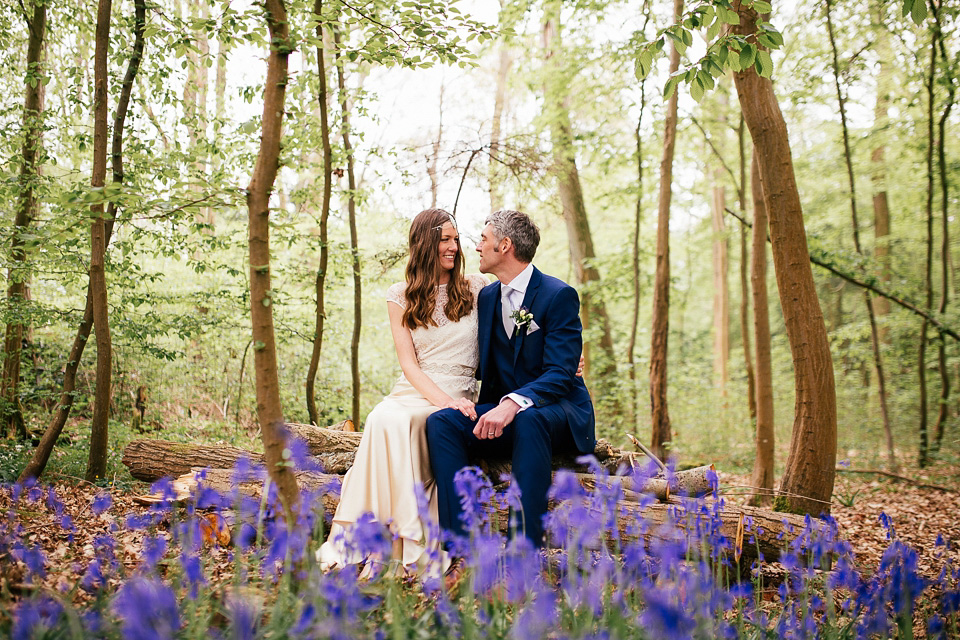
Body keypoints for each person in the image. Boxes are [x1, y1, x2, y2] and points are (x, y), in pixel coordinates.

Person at [318, 208, 487, 576]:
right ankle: (378, 542)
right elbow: (409, 365)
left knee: (411, 423)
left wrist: (571, 356)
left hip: (460, 390)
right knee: (383, 417)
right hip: (416, 389)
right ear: (426, 243)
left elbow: (529, 309)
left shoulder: (476, 287)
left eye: (456, 239)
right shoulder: (400, 295)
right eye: (445, 239)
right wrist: (443, 400)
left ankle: (405, 546)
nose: (454, 247)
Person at [426, 209, 595, 550]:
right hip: (503, 413)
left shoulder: (557, 295)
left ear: (504, 246)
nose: (475, 247)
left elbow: (561, 374)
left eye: (483, 239)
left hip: (557, 412)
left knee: (530, 417)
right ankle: (460, 547)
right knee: (442, 422)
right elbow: (477, 355)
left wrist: (512, 403)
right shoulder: (487, 297)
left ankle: (524, 549)